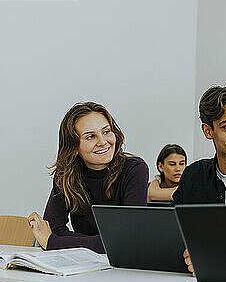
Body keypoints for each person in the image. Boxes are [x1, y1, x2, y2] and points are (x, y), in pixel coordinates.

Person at [28, 102, 148, 254]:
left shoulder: (134, 169)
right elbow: (53, 228)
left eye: (106, 131)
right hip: (82, 265)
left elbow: (128, 239)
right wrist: (102, 243)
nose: (103, 142)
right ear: (74, 148)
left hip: (124, 265)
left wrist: (55, 242)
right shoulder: (65, 175)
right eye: (91, 136)